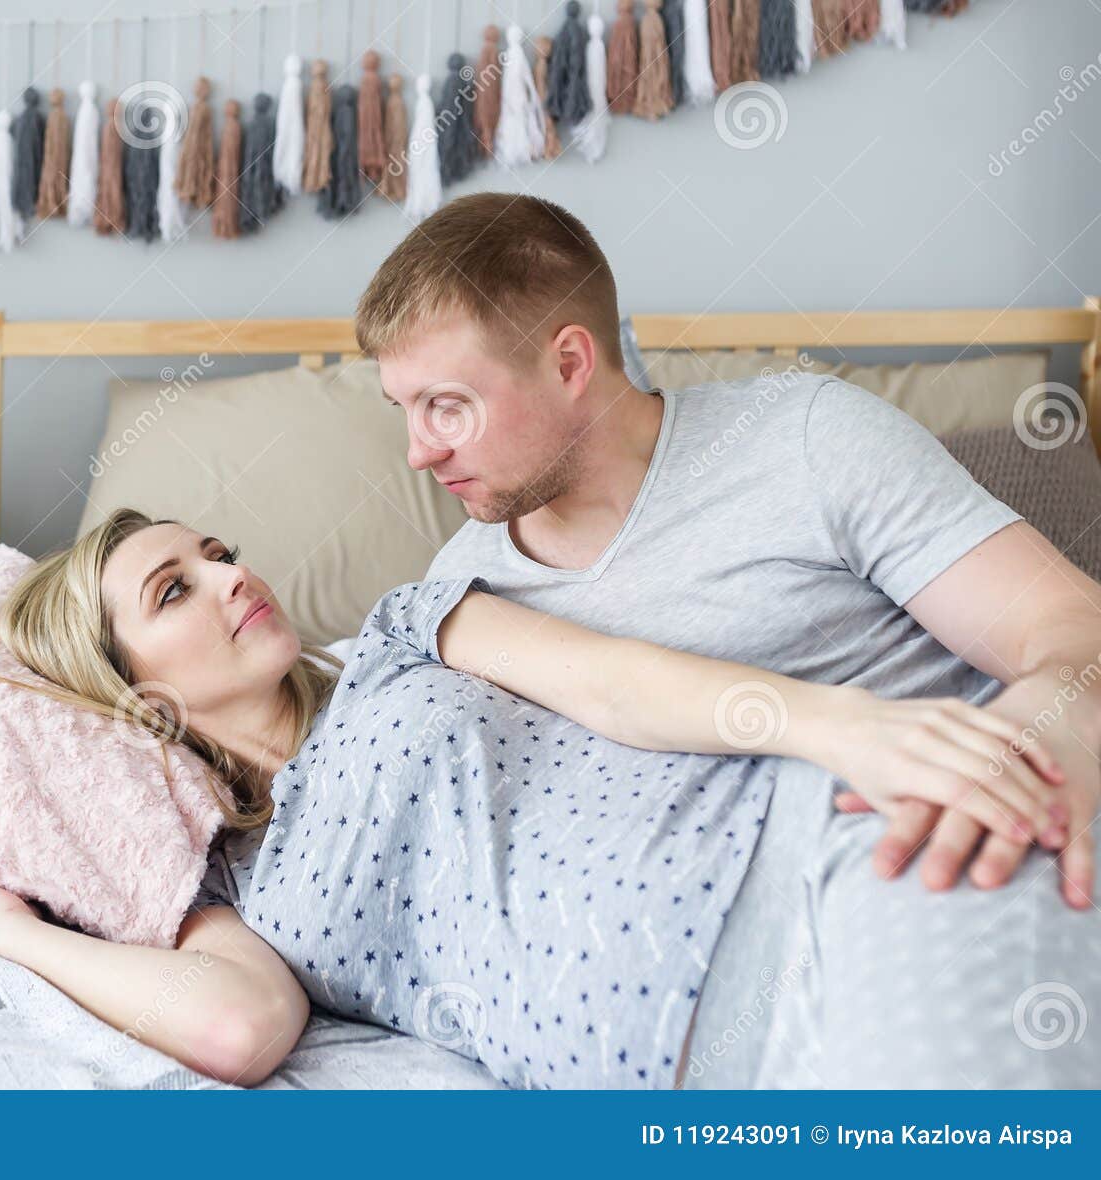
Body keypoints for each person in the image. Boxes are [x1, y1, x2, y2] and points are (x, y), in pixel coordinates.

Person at [355, 191, 1101, 1087]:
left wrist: (1049, 736)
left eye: (446, 405)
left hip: (942, 862)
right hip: (719, 987)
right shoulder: (462, 596)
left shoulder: (805, 439)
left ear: (569, 362)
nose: (417, 453)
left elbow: (1069, 632)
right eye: (404, 408)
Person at [0, 508, 1062, 1087]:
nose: (236, 575)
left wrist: (846, 722)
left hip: (821, 868)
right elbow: (238, 1027)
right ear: (130, 693)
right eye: (177, 588)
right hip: (719, 1068)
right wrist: (5, 929)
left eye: (219, 552)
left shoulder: (399, 632)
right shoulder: (215, 881)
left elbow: (617, 686)